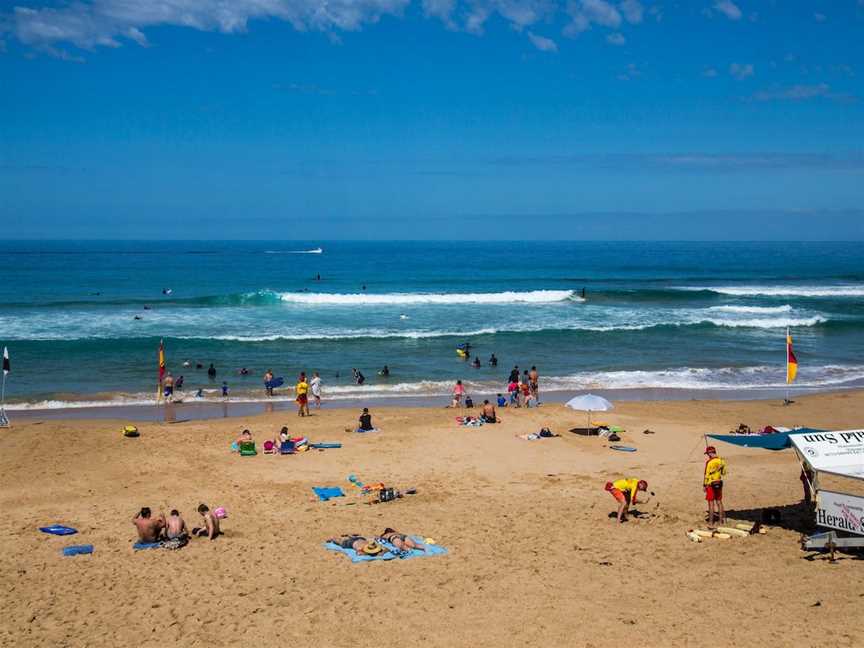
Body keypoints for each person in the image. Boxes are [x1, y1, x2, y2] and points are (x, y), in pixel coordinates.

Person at [704, 446, 727, 527]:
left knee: (711, 503)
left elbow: (706, 475)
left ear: (710, 453)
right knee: (719, 502)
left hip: (710, 484)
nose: (708, 455)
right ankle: (721, 521)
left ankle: (711, 522)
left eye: (708, 454)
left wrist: (704, 485)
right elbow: (724, 473)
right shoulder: (721, 461)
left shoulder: (709, 462)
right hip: (719, 482)